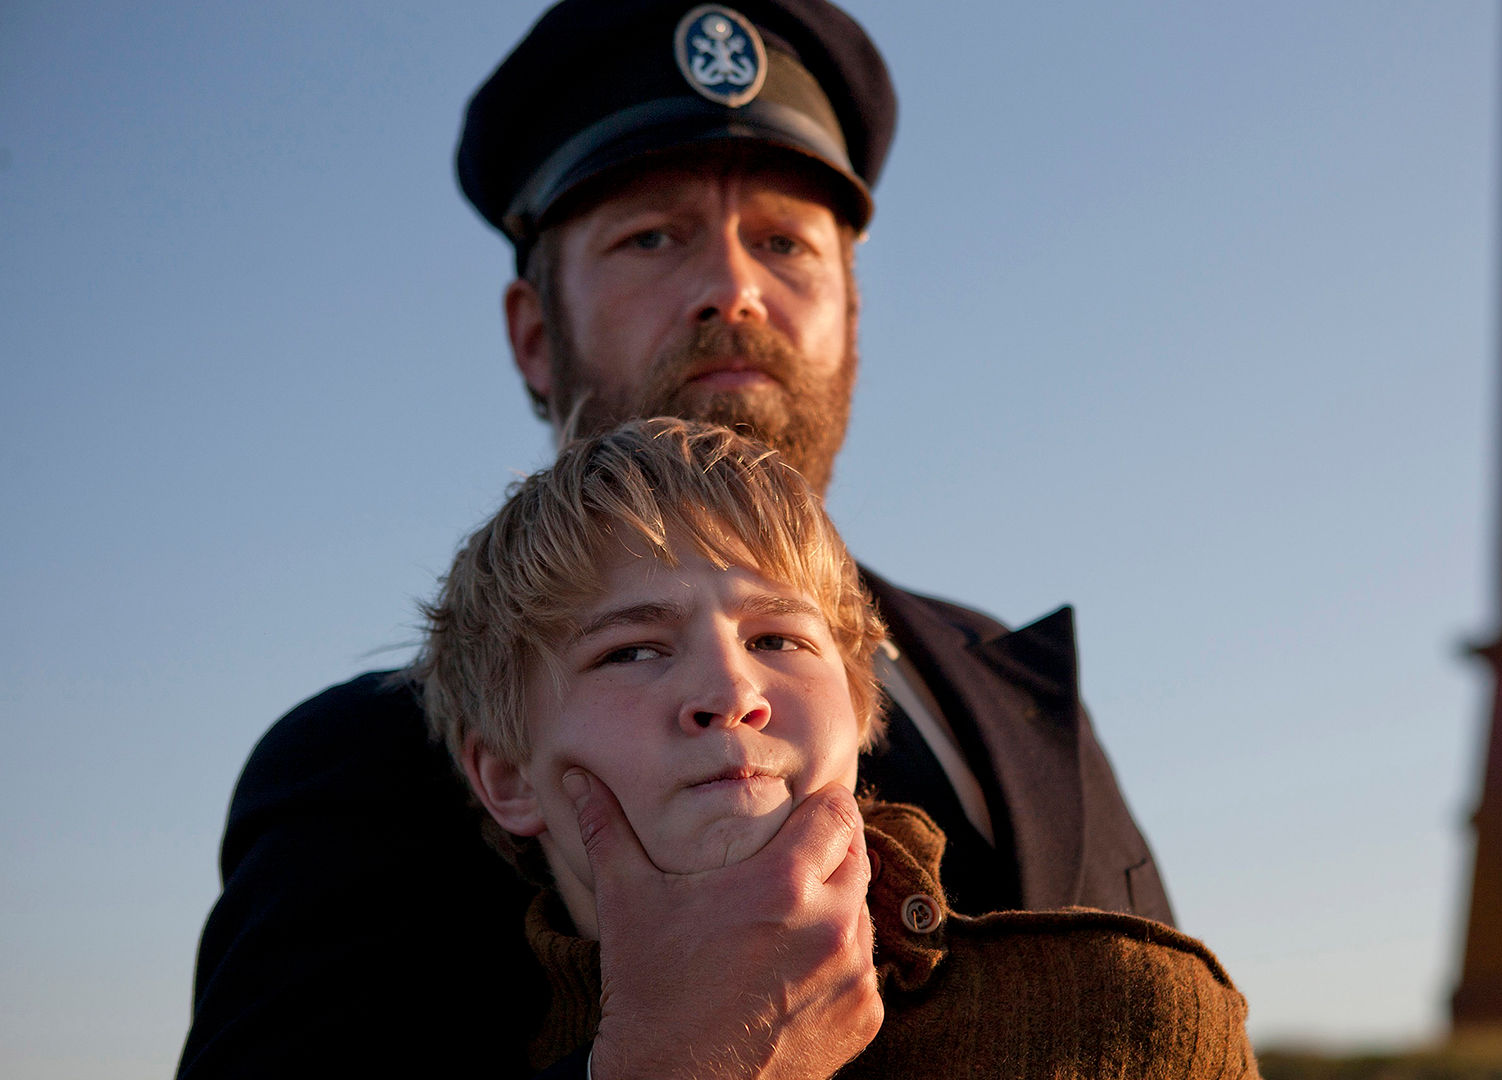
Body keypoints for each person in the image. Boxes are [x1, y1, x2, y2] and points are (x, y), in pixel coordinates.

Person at [178, 2, 1171, 1078]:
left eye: (784, 243)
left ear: (850, 312)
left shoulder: (1018, 693)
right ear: (533, 335)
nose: (733, 289)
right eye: (652, 237)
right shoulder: (366, 767)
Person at [412, 417, 1257, 1078]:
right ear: (507, 776)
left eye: (777, 640)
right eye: (631, 651)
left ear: (858, 714)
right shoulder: (394, 1041)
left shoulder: (1129, 1015)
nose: (732, 693)